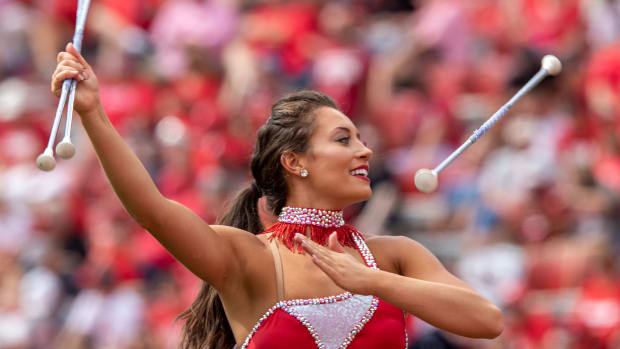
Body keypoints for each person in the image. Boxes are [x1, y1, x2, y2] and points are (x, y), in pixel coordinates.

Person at [51, 42, 503, 349]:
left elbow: (486, 320)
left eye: (361, 138)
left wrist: (372, 282)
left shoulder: (394, 257)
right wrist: (92, 112)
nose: (365, 149)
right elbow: (151, 209)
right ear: (295, 161)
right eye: (343, 139)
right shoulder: (247, 258)